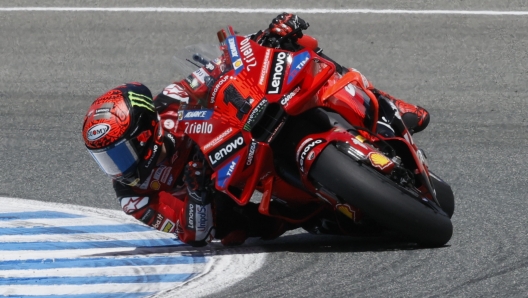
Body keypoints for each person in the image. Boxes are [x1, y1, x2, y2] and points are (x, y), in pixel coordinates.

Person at [82, 13, 430, 247]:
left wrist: (265, 39)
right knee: (245, 230)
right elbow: (194, 235)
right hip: (231, 198)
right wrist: (198, 195)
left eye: (118, 153)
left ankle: (385, 103)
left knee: (301, 48)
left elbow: (213, 72)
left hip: (242, 137)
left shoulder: (170, 102)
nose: (116, 167)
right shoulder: (135, 198)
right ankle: (324, 204)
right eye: (106, 159)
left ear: (145, 132)